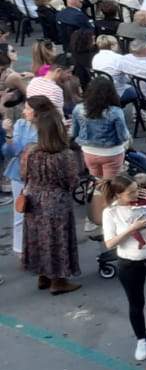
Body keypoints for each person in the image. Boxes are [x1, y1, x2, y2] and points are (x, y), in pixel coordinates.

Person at [98, 174, 146, 361]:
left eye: (136, 190)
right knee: (136, 303)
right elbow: (110, 243)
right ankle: (142, 339)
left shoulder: (145, 203)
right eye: (130, 192)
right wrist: (132, 229)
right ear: (118, 194)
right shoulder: (111, 212)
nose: (135, 195)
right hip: (130, 262)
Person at [19, 98, 82, 294]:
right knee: (58, 239)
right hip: (57, 201)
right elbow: (73, 181)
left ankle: (43, 275)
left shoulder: (30, 152)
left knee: (38, 237)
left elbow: (23, 175)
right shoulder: (65, 155)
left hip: (33, 199)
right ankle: (58, 281)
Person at [73, 76, 132, 179]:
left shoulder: (78, 108)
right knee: (110, 183)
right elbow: (123, 136)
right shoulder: (115, 111)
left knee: (96, 180)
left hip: (89, 151)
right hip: (112, 152)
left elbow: (74, 132)